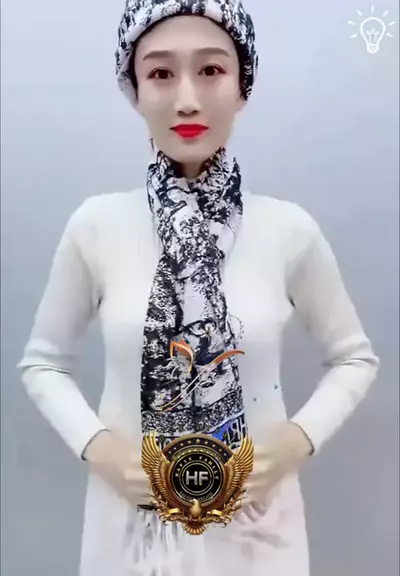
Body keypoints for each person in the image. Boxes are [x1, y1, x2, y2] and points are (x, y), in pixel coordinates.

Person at [17, 1, 380, 575]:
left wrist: (293, 443)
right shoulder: (97, 227)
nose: (187, 98)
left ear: (242, 86)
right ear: (135, 90)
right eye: (161, 73)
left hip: (259, 531)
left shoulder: (288, 231)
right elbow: (43, 363)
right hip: (129, 533)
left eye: (211, 70)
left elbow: (354, 359)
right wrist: (102, 450)